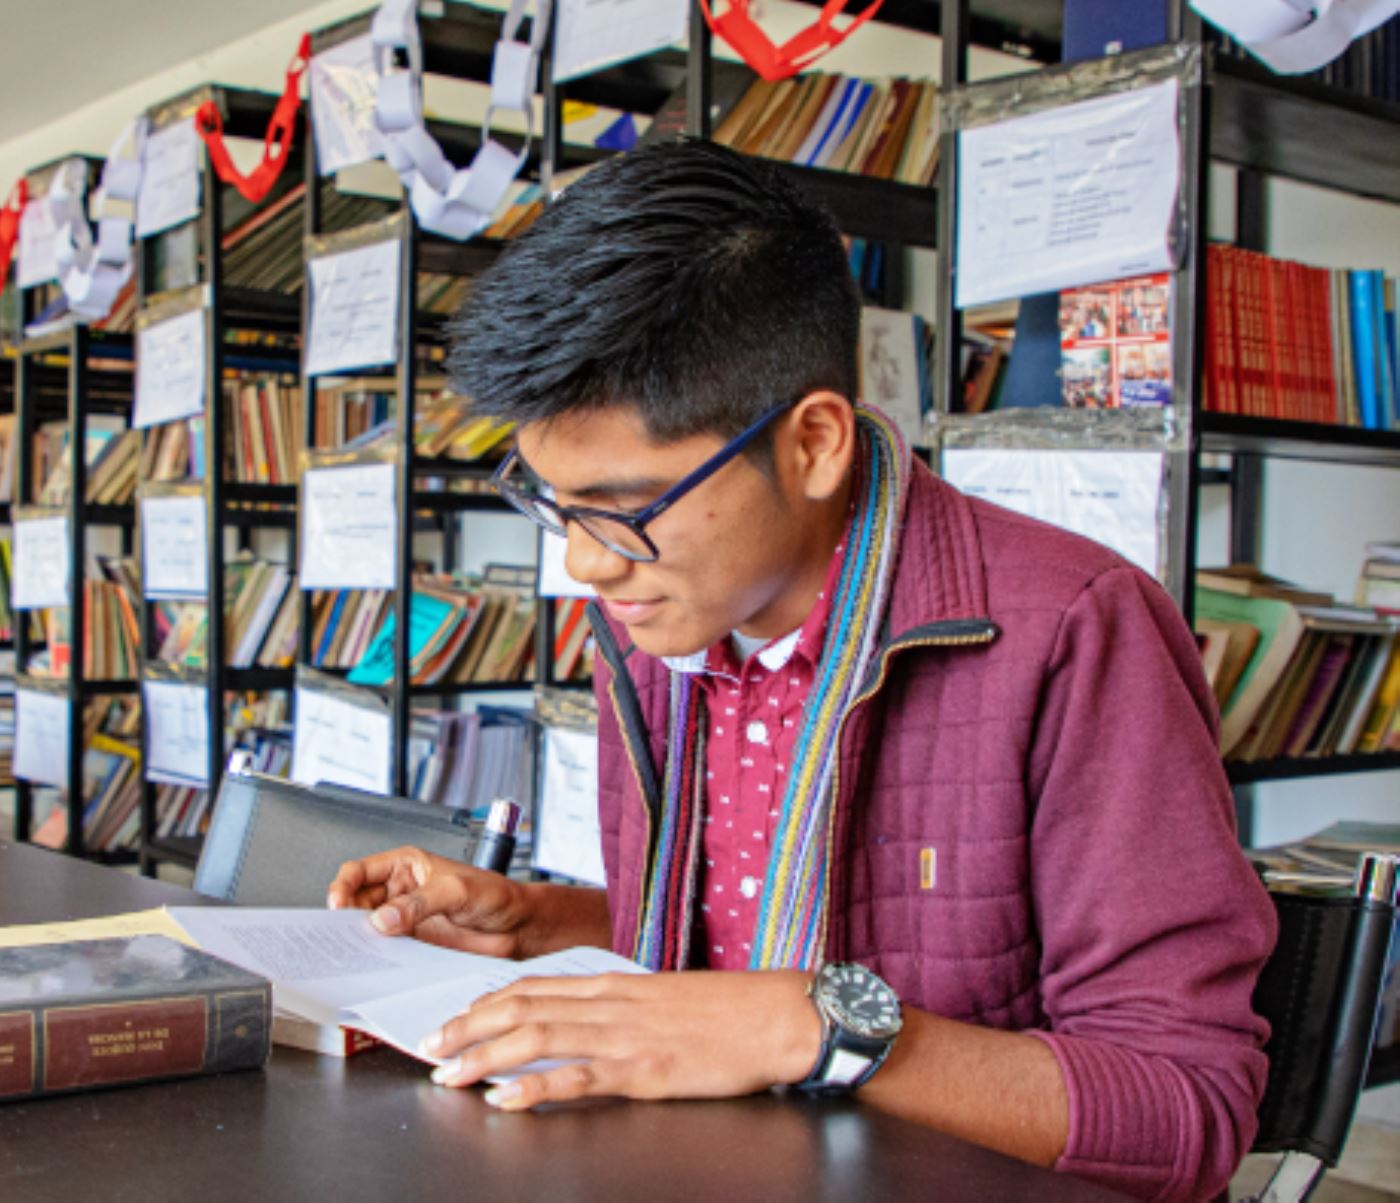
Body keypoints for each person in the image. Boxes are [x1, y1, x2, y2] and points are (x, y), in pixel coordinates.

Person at [326, 139, 1276, 1202]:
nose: (585, 563)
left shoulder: (1073, 631)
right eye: (553, 501)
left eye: (623, 509)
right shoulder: (662, 621)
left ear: (815, 442)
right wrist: (539, 920)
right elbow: (744, 920)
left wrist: (815, 1022)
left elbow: (1184, 1111)